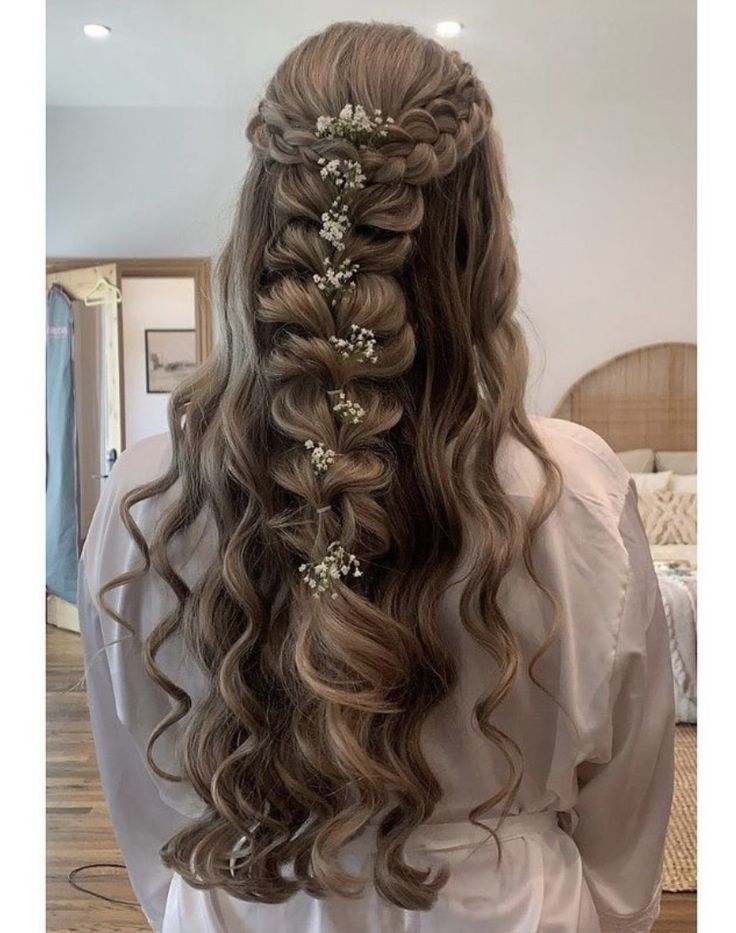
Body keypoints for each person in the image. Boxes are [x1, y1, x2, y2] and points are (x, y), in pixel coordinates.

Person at [78, 21, 675, 933]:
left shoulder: (153, 494)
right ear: (479, 238)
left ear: (263, 228)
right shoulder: (576, 489)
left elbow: (149, 801)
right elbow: (626, 814)